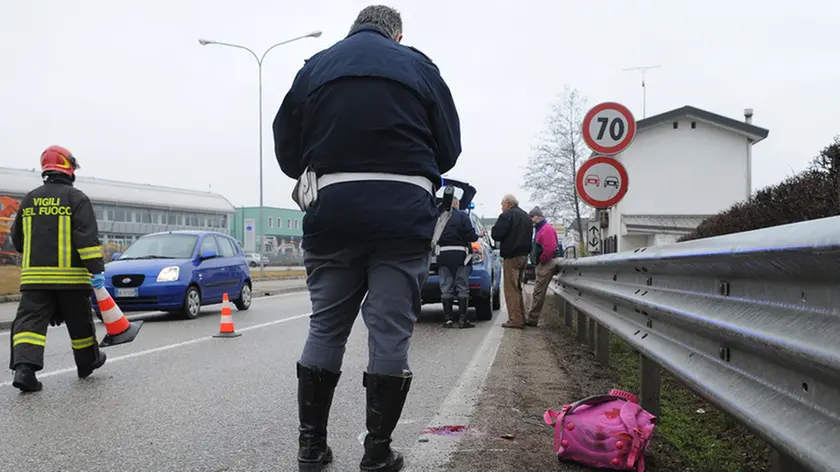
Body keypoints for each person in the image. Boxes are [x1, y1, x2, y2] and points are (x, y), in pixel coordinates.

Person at [272, 5, 461, 471]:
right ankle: (377, 451)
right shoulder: (420, 67)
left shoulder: (315, 68)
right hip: (402, 217)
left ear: (354, 28)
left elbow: (286, 147)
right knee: (390, 331)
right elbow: (450, 148)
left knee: (326, 326)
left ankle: (311, 449)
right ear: (397, 33)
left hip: (333, 213)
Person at [9, 145, 107, 393]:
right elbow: (86, 239)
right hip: (71, 280)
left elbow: (17, 239)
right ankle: (87, 363)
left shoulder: (30, 199)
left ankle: (24, 371)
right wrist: (96, 270)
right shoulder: (77, 199)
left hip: (34, 280)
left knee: (29, 324)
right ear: (68, 168)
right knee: (80, 323)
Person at [435, 197, 480, 329]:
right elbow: (471, 236)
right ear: (455, 203)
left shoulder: (438, 217)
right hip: (461, 256)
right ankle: (462, 319)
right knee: (462, 286)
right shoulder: (462, 216)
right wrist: (477, 235)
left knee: (446, 287)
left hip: (442, 255)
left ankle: (448, 319)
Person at [490, 194, 532, 329]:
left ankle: (515, 319)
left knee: (511, 289)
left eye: (502, 205)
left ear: (508, 204)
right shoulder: (526, 216)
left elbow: (496, 234)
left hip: (511, 256)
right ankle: (522, 317)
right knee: (518, 287)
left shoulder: (507, 216)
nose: (502, 208)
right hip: (524, 256)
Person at [525, 206, 562, 327]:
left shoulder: (545, 229)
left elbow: (550, 248)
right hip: (544, 262)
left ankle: (532, 318)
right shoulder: (541, 229)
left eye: (533, 217)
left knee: (538, 292)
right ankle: (532, 317)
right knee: (537, 291)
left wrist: (542, 260)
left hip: (547, 263)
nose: (531, 220)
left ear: (540, 216)